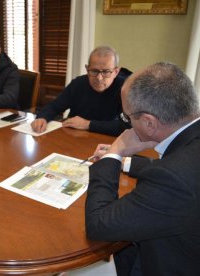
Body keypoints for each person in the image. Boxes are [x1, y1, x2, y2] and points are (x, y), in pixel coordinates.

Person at [85, 62, 200, 275]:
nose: (127, 123)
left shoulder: (173, 179)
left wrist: (115, 153)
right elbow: (180, 168)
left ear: (149, 122)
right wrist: (127, 162)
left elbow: (98, 225)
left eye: (127, 117)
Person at [31, 46, 130, 136]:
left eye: (106, 72)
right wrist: (42, 117)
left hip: (108, 140)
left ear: (116, 72)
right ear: (87, 69)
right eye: (94, 71)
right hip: (75, 136)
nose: (99, 78)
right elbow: (55, 106)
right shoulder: (78, 84)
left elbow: (127, 126)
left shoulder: (126, 88)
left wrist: (88, 124)